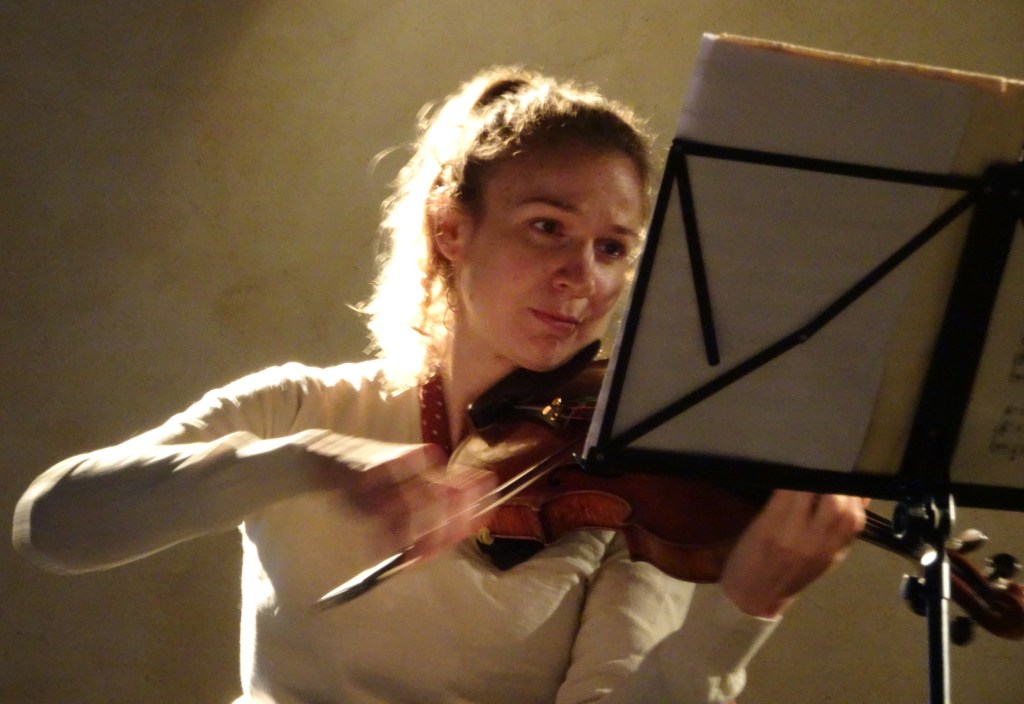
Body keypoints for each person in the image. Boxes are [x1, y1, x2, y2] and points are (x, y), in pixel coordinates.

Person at [13, 67, 867, 704]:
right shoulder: (305, 406)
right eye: (548, 228)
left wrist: (740, 612)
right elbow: (53, 524)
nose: (583, 277)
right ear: (452, 230)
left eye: (613, 247)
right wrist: (304, 462)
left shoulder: (632, 478)